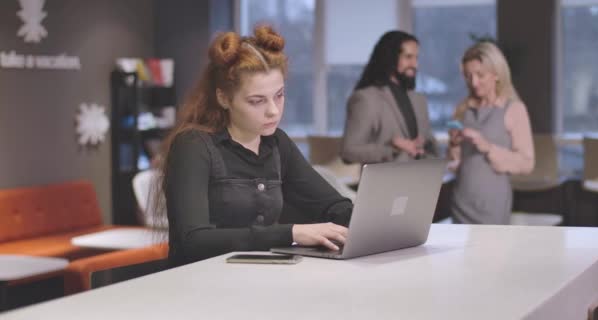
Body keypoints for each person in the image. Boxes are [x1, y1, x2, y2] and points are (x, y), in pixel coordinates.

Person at [157, 26, 352, 266]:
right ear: (223, 98)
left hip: (256, 279)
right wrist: (291, 233)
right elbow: (193, 241)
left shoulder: (277, 143)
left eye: (279, 95)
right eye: (257, 101)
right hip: (200, 284)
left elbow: (332, 205)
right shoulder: (193, 146)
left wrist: (366, 222)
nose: (273, 110)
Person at [448, 41, 535, 225]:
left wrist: (488, 148)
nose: (474, 82)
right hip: (460, 203)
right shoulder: (462, 110)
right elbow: (454, 164)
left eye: (480, 75)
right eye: (468, 76)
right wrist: (454, 145)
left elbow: (527, 163)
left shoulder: (514, 109)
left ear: (496, 74)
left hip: (492, 207)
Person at [341, 31, 438, 164]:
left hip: (421, 180)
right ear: (390, 57)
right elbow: (348, 152)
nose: (415, 64)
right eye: (408, 57)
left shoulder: (419, 100)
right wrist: (392, 149)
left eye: (416, 58)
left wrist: (426, 145)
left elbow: (430, 145)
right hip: (384, 183)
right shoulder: (366, 99)